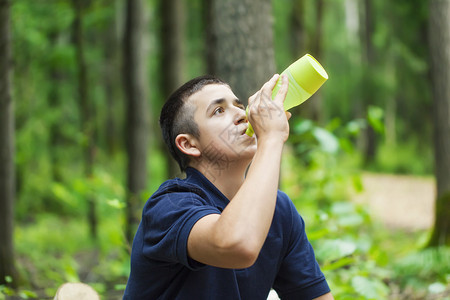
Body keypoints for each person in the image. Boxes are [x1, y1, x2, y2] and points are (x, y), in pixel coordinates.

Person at [123, 74, 333, 300]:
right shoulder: (168, 207)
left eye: (239, 106)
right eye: (219, 111)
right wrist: (271, 139)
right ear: (189, 144)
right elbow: (237, 244)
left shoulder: (279, 210)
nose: (242, 116)